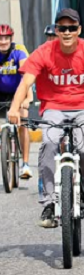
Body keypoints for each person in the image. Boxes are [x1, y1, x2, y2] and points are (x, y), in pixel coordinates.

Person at [7, 8, 84, 227]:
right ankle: (49, 204)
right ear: (57, 30)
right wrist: (14, 109)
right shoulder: (45, 51)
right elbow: (26, 82)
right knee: (49, 144)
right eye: (63, 28)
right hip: (53, 107)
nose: (67, 32)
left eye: (72, 28)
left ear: (79, 29)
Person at [0, 24, 33, 179]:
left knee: (23, 122)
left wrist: (27, 98)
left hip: (17, 92)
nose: (3, 41)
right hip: (1, 93)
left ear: (11, 39)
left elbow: (26, 74)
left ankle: (25, 164)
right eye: (0, 38)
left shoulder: (19, 50)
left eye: (6, 38)